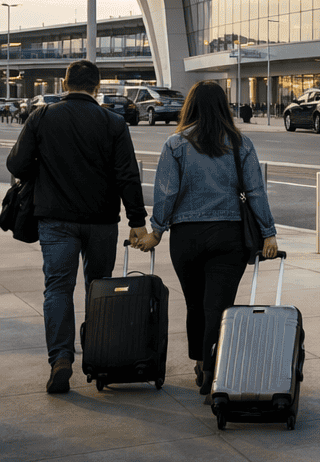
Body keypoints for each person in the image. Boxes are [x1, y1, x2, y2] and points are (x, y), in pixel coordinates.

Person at [6, 60, 148, 394]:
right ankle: (99, 355)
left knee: (57, 288)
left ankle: (61, 359)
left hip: (55, 219)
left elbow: (16, 163)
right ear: (97, 87)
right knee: (99, 288)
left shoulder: (42, 116)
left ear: (66, 84)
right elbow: (127, 175)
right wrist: (138, 221)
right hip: (101, 221)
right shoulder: (113, 122)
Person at [132, 81, 277, 396]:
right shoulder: (241, 143)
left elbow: (166, 192)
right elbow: (255, 190)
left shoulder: (176, 144)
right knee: (220, 306)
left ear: (190, 107)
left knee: (195, 304)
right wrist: (268, 233)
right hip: (230, 235)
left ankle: (200, 362)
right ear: (224, 107)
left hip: (187, 237)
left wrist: (157, 230)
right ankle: (214, 366)